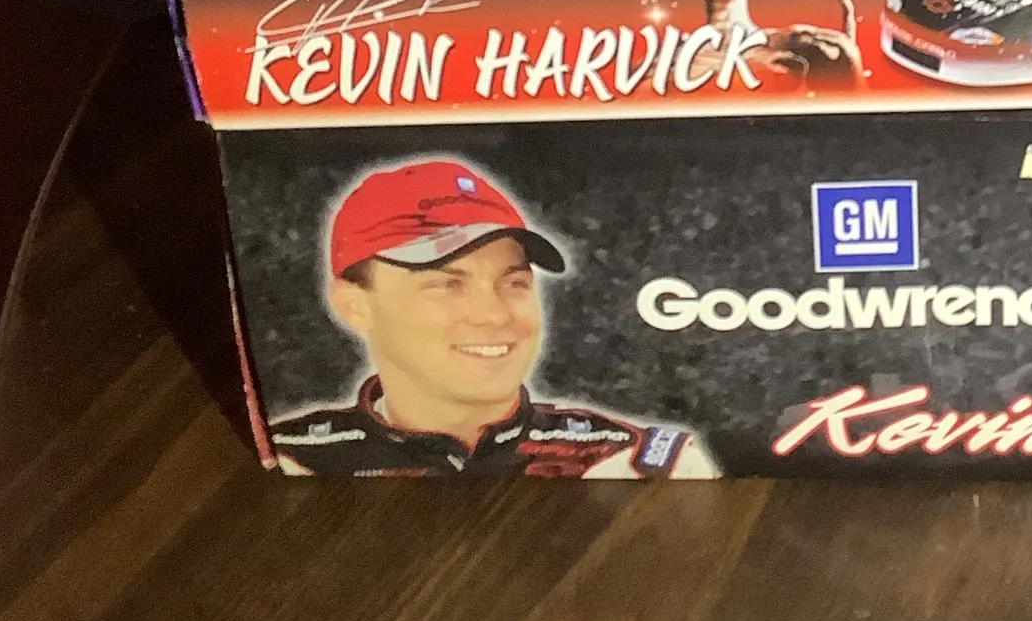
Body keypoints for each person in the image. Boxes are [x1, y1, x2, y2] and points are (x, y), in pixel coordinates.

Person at [271, 160, 715, 479]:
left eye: (514, 282)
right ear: (355, 305)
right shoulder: (290, 462)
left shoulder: (640, 465)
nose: (494, 314)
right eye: (447, 284)